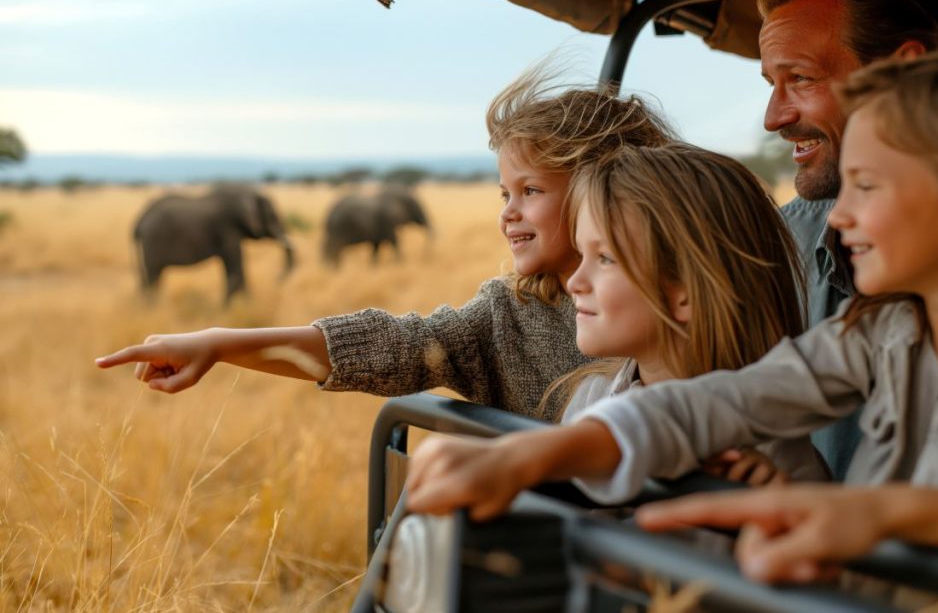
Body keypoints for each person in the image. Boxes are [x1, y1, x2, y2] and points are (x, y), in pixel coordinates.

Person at [403, 46, 938, 577]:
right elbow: (724, 400)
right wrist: (532, 453)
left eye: (866, 185)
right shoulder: (877, 335)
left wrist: (876, 513)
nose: (837, 216)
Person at [95, 66, 674, 419]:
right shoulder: (505, 315)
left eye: (531, 191)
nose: (509, 214)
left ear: (608, 190)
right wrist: (221, 342)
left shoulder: (686, 306)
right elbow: (394, 345)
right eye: (504, 194)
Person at [756, 0, 938, 479]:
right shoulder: (778, 247)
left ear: (904, 74)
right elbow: (734, 398)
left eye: (800, 78)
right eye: (771, 83)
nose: (772, 118)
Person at [547, 142, 822, 483]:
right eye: (580, 254)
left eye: (605, 258)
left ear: (687, 293)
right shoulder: (591, 399)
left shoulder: (776, 464)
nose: (575, 281)